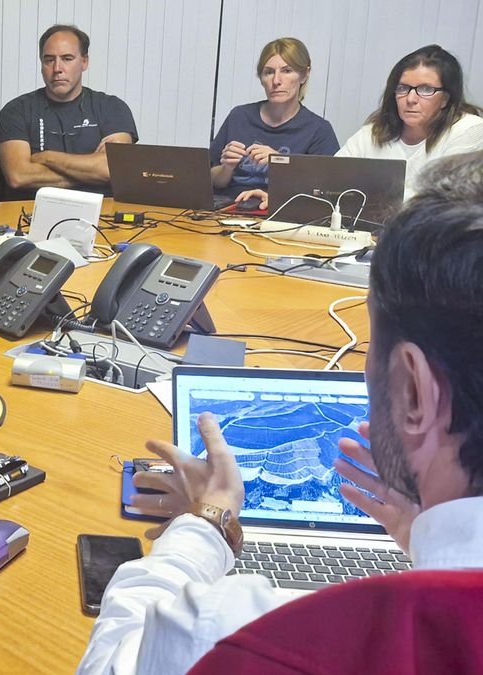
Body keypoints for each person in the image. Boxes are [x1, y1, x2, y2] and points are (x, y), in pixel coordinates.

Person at [78, 151, 483, 675]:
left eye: (369, 347)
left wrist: (208, 520)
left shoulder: (248, 636)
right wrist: (431, 544)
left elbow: (116, 660)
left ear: (412, 390)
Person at [0, 24, 137, 200]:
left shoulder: (112, 108)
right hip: (31, 216)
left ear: (84, 62)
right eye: (49, 60)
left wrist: (47, 157)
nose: (57, 68)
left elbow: (113, 170)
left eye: (67, 58)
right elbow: (19, 176)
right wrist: (90, 172)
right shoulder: (16, 110)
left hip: (102, 217)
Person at [338, 44, 483, 200]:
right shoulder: (373, 132)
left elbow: (442, 201)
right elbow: (332, 180)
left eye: (426, 89)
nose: (410, 99)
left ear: (445, 99)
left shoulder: (469, 129)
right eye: (403, 88)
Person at [210, 37, 338, 204]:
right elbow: (210, 180)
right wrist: (226, 169)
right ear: (261, 78)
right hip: (229, 208)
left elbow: (328, 192)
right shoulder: (239, 116)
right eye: (269, 72)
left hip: (281, 214)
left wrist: (280, 164)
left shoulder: (318, 130)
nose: (276, 81)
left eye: (287, 71)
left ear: (304, 75)